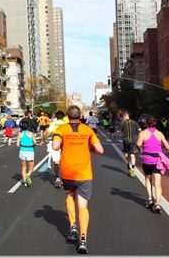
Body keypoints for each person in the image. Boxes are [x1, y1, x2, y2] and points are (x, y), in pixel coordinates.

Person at [52, 105, 104, 254]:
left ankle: (73, 225)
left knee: (69, 195)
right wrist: (90, 148)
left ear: (68, 116)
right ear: (80, 116)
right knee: (83, 206)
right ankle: (83, 240)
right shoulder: (87, 130)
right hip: (84, 172)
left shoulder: (61, 129)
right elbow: (100, 150)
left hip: (68, 171)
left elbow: (55, 147)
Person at [136, 116, 169, 214]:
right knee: (158, 183)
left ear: (146, 123)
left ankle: (150, 199)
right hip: (157, 161)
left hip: (147, 160)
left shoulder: (143, 133)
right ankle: (158, 204)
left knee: (148, 178)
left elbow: (138, 144)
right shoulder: (159, 134)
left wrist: (142, 147)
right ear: (156, 123)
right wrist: (161, 147)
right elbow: (168, 147)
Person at [42, 110, 66, 188]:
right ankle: (65, 178)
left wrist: (43, 140)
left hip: (55, 142)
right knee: (64, 162)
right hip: (65, 143)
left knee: (56, 162)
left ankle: (57, 178)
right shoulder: (66, 124)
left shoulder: (53, 124)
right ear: (63, 117)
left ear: (56, 117)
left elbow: (48, 133)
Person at [16, 121, 38, 187]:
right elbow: (35, 142)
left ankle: (25, 181)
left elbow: (17, 144)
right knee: (31, 168)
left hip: (22, 151)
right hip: (30, 151)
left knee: (23, 167)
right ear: (28, 127)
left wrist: (22, 144)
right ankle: (28, 175)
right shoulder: (31, 134)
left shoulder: (20, 134)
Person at [120, 110, 140, 177]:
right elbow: (139, 130)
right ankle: (133, 169)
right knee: (132, 155)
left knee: (126, 155)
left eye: (123, 116)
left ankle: (129, 168)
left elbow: (119, 130)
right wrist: (137, 136)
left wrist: (115, 133)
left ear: (125, 116)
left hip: (125, 141)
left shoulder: (123, 123)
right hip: (133, 141)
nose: (123, 118)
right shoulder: (134, 123)